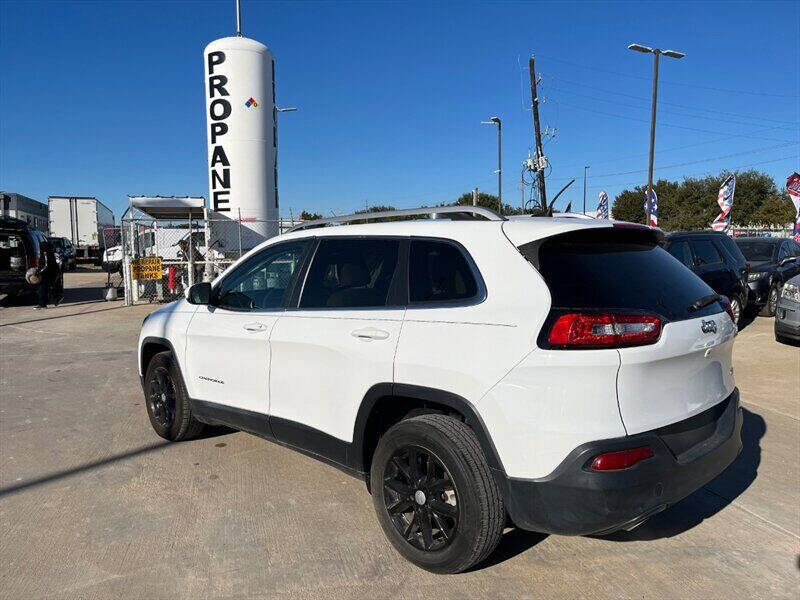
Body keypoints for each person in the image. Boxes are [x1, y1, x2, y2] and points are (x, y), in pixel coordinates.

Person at [34, 239, 63, 309]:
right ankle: (57, 299)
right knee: (49, 288)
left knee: (42, 288)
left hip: (46, 274)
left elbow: (46, 265)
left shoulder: (45, 253)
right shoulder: (50, 252)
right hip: (51, 273)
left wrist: (39, 271)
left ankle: (42, 304)